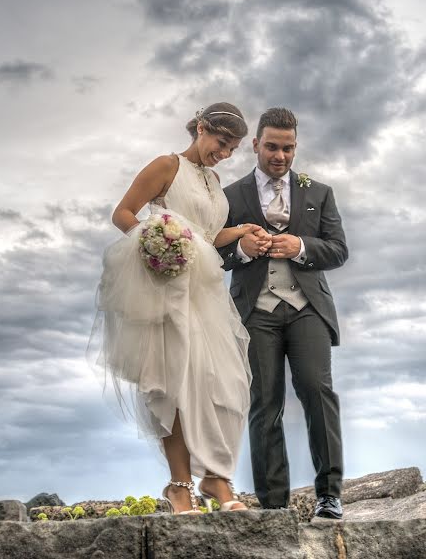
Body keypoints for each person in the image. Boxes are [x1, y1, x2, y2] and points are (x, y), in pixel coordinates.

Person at [92, 102, 267, 514]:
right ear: (201, 128)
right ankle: (180, 487)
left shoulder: (214, 179)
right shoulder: (167, 165)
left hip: (206, 295)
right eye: (221, 143)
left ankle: (216, 478)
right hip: (166, 292)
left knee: (224, 383)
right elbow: (123, 213)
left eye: (232, 149)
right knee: (173, 385)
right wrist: (157, 241)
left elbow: (205, 235)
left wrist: (239, 230)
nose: (223, 154)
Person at [219, 107, 349, 519]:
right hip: (255, 313)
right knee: (264, 402)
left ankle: (330, 495)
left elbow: (339, 250)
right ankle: (274, 505)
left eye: (288, 148)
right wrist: (242, 250)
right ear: (256, 144)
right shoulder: (231, 194)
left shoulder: (318, 191)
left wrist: (302, 249)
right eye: (272, 147)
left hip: (306, 307)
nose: (280, 156)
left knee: (317, 391)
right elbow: (216, 253)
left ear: (296, 147)